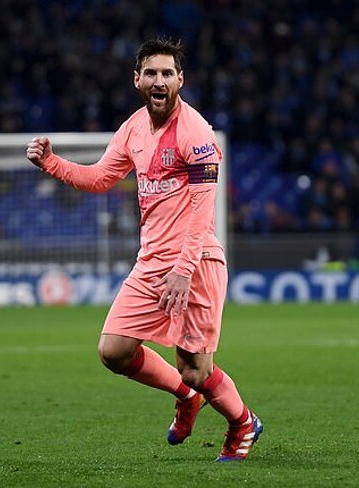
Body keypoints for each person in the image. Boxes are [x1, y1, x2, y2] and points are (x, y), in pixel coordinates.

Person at [26, 38, 262, 462]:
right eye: (151, 73)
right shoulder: (133, 128)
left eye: (167, 73)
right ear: (137, 79)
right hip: (151, 263)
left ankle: (242, 423)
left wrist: (184, 269)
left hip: (196, 263)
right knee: (113, 351)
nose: (159, 80)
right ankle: (185, 396)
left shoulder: (196, 133)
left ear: (180, 80)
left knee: (196, 368)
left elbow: (202, 209)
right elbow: (100, 178)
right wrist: (51, 163)